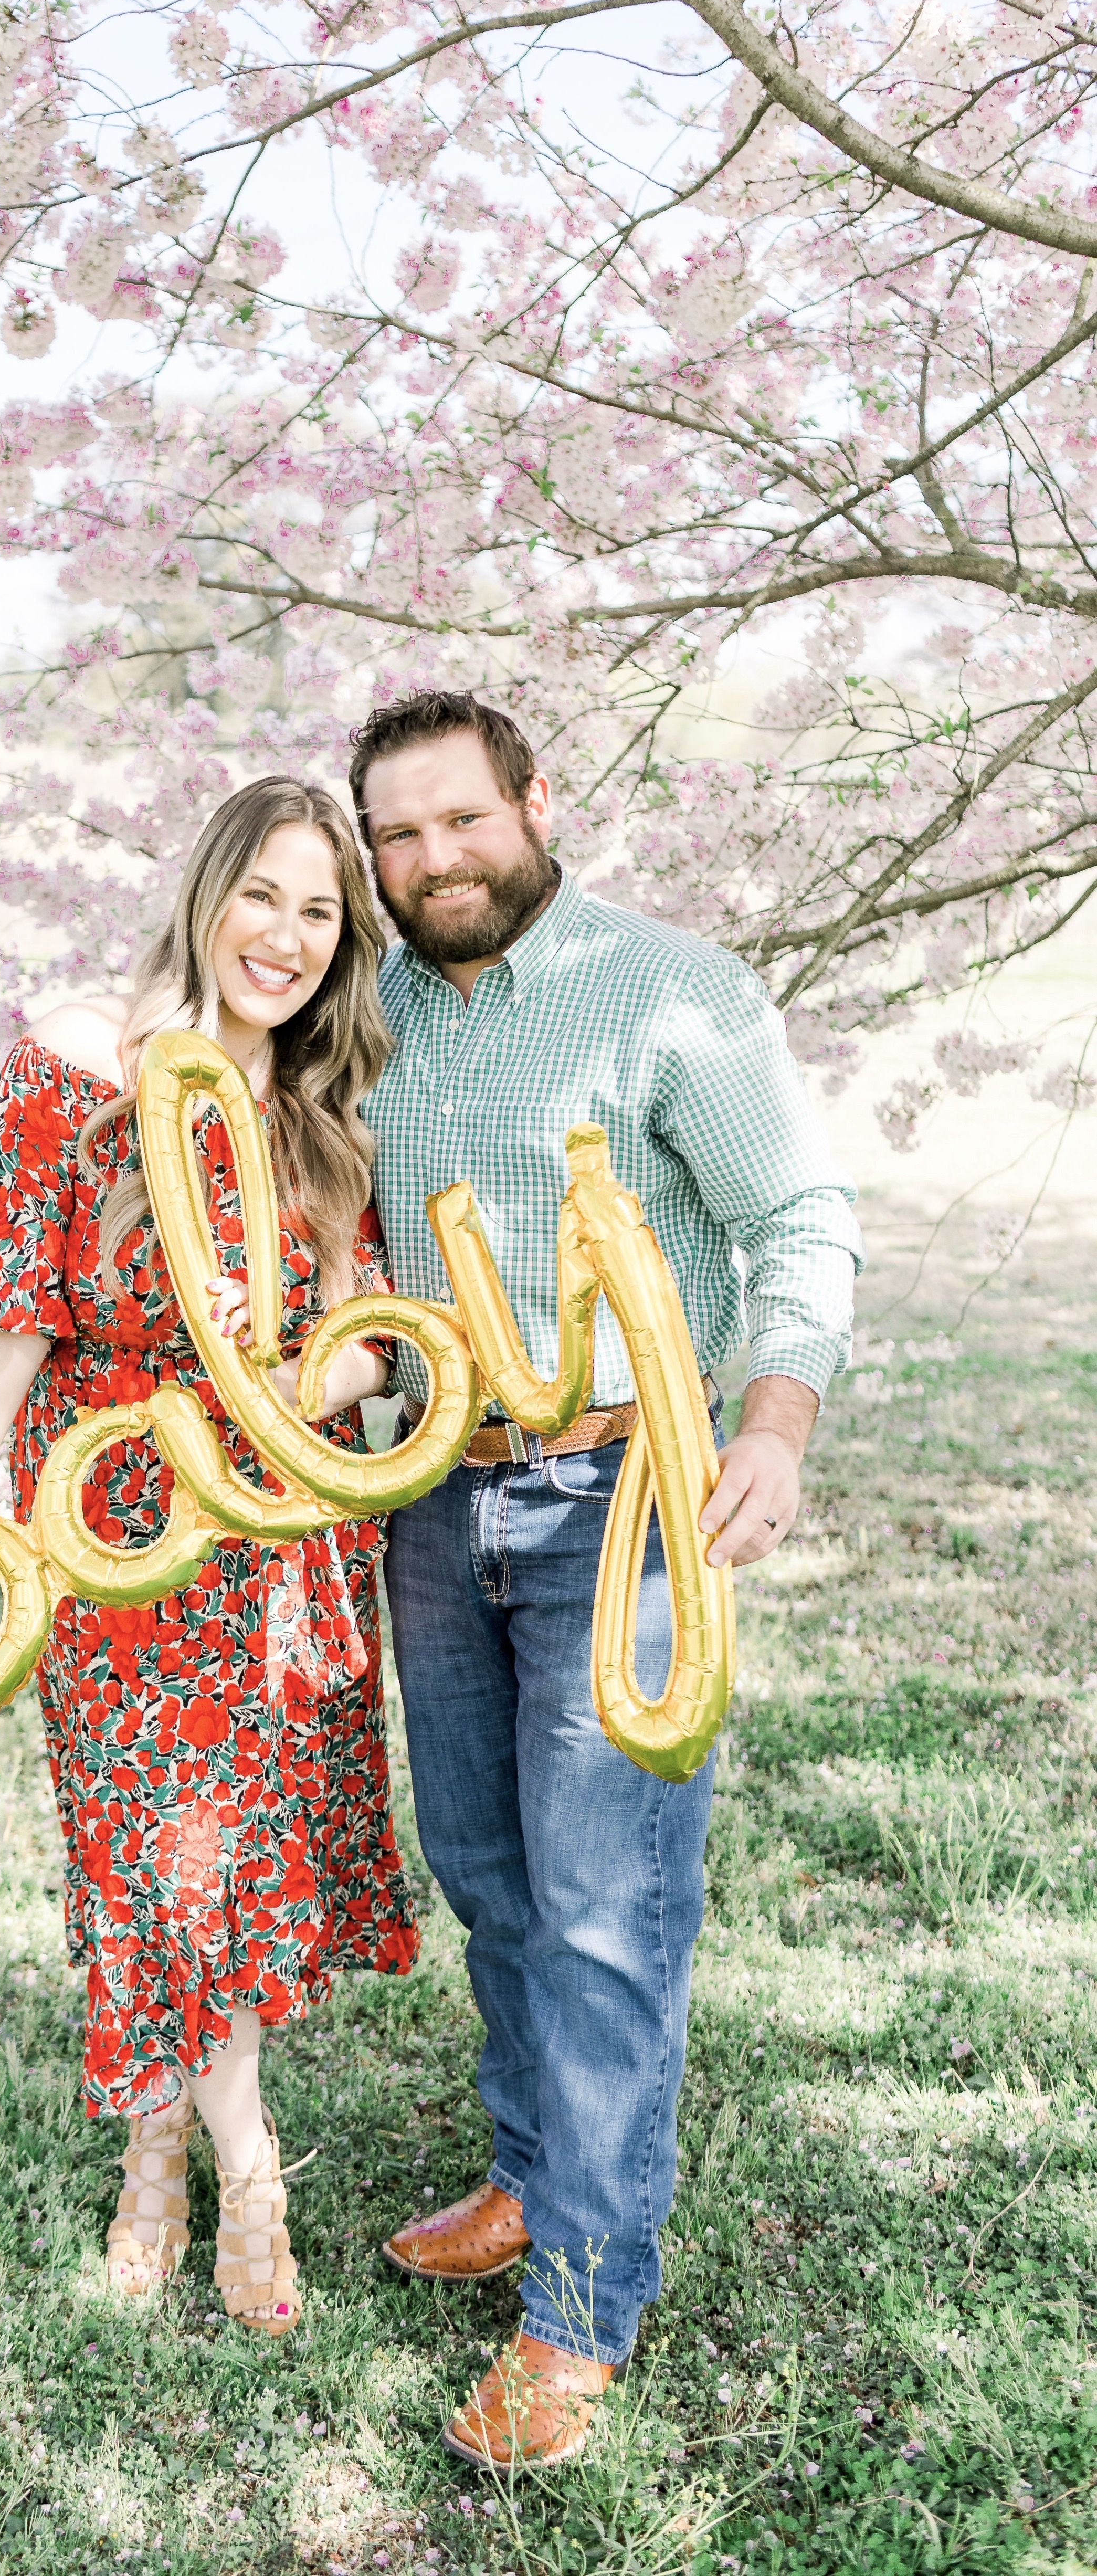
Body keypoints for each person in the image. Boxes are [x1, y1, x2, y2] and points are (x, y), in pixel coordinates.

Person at [350, 692, 861, 2466]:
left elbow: (796, 1219)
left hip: (624, 1498)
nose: (432, 862)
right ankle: (526, 2168)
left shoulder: (670, 989)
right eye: (397, 839)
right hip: (430, 1496)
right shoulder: (374, 1015)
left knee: (603, 1905)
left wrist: (774, 1427)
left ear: (532, 804)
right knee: (487, 1871)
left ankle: (577, 2309)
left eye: (460, 823)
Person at [0, 775, 412, 2337]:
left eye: (320, 912)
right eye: (265, 895)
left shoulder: (320, 1121)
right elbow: (6, 1330)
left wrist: (306, 1389)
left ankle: (161, 2139)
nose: (286, 938)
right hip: (107, 1539)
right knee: (146, 1847)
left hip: (273, 1550)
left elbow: (376, 1338)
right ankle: (246, 2161)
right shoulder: (78, 1083)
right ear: (205, 892)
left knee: (219, 1860)